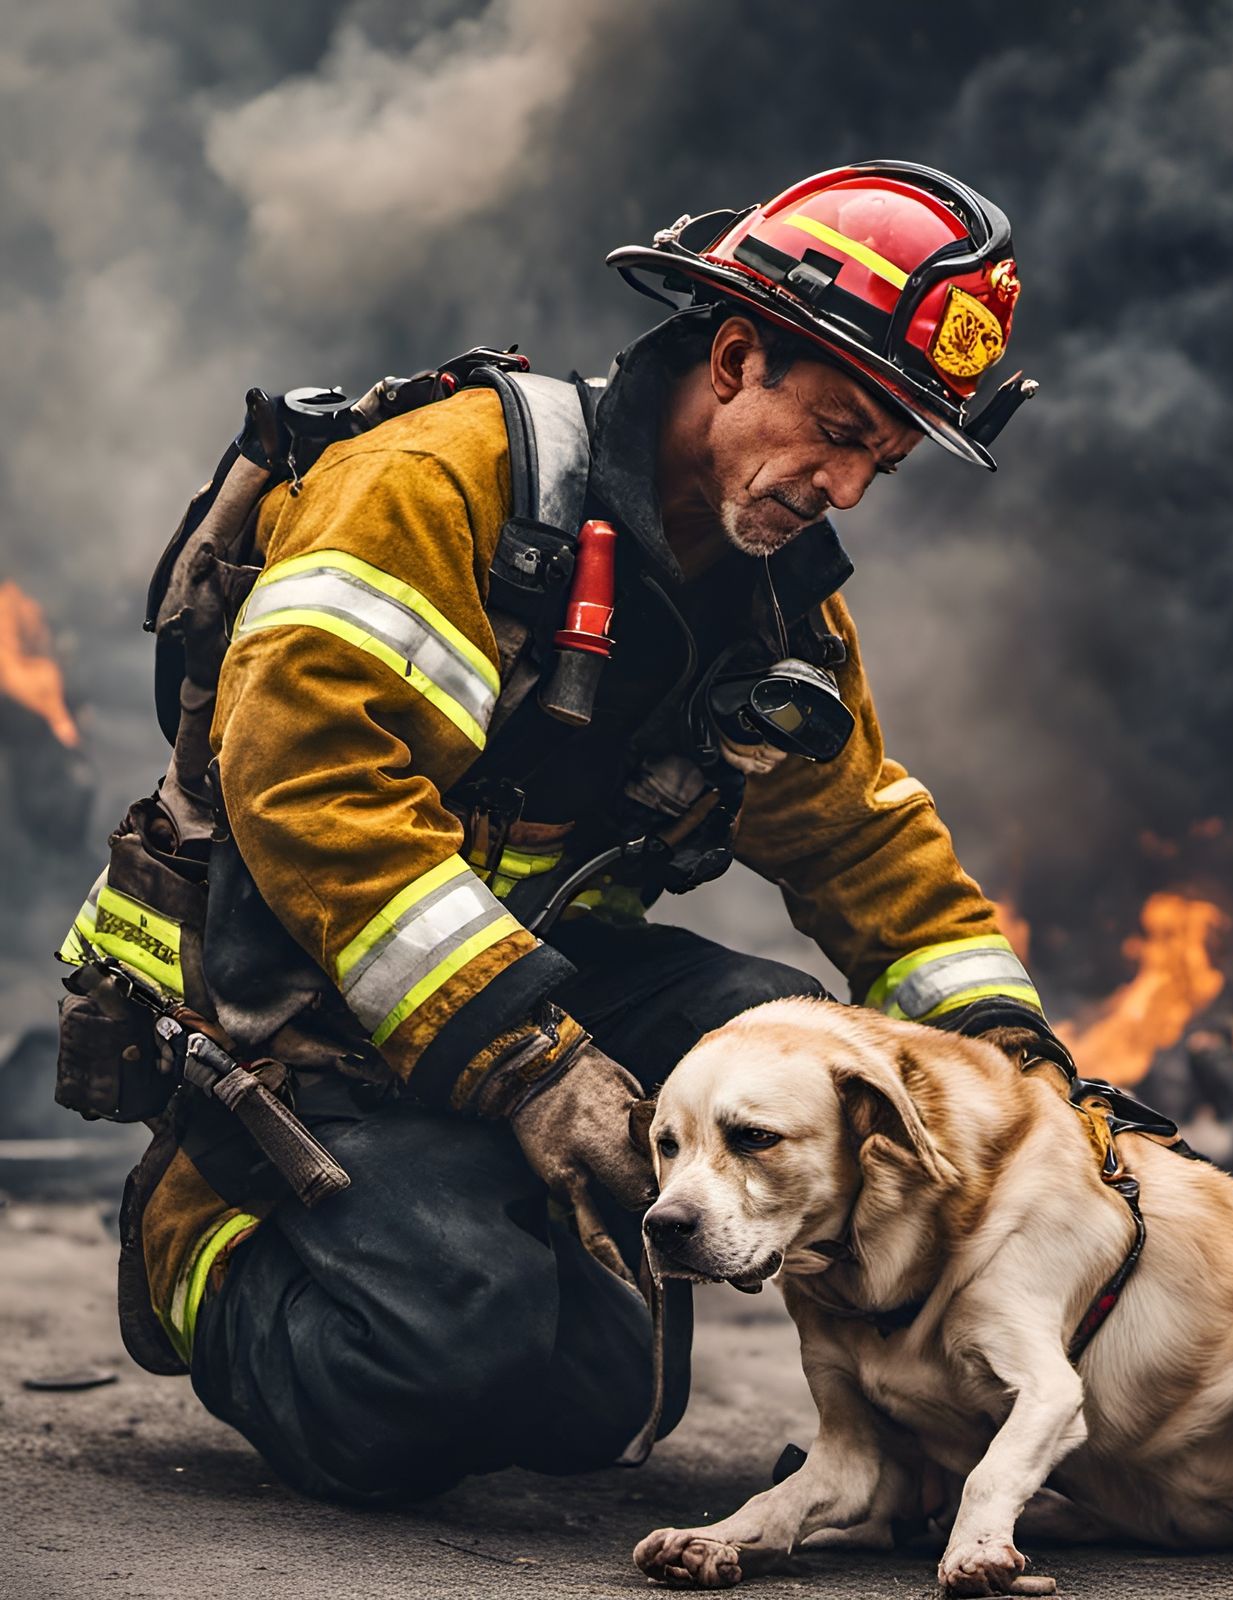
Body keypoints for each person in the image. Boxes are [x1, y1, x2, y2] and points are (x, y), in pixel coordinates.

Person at [75, 161, 1065, 1501]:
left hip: (501, 999)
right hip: (291, 1005)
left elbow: (863, 845)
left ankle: (490, 1238)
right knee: (433, 1367)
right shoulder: (440, 483)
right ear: (732, 355)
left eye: (880, 460)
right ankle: (197, 1246)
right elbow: (313, 787)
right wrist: (531, 1063)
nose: (845, 486)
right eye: (834, 427)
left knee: (613, 1379)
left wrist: (1021, 1075)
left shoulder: (767, 601)